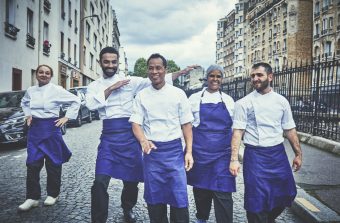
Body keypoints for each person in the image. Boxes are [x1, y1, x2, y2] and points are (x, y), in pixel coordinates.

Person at [86, 47, 197, 223]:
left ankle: (127, 207)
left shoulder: (130, 81)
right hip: (109, 137)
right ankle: (98, 220)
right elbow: (91, 105)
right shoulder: (93, 86)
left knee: (131, 179)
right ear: (100, 62)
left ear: (117, 63)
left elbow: (157, 78)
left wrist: (182, 72)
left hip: (131, 136)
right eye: (106, 61)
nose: (110, 65)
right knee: (99, 181)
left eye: (114, 61)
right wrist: (111, 88)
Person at [229, 62, 302, 223]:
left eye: (259, 75)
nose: (255, 79)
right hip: (255, 155)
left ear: (270, 77)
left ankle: (268, 219)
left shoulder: (282, 101)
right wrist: (234, 159)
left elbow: (289, 129)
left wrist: (298, 154)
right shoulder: (243, 103)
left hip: (277, 154)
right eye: (252, 76)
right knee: (256, 200)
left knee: (288, 192)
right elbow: (238, 132)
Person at [129, 53, 194, 223]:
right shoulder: (142, 95)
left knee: (178, 197)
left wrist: (189, 152)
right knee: (155, 198)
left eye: (158, 68)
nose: (154, 71)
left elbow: (186, 125)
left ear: (165, 70)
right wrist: (143, 141)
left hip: (174, 152)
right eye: (151, 68)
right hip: (152, 153)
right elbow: (136, 123)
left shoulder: (178, 93)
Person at [19, 64, 81, 211]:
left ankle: (53, 194)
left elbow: (76, 101)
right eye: (41, 72)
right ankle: (32, 197)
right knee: (32, 164)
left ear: (51, 76)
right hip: (35, 130)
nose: (44, 75)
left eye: (47, 73)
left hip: (51, 129)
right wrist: (28, 114)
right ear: (36, 74)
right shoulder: (31, 90)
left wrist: (67, 118)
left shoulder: (57, 90)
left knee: (53, 163)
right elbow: (24, 102)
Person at [187, 65, 235, 223]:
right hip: (200, 152)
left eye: (218, 76)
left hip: (222, 154)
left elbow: (236, 129)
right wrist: (188, 151)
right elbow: (186, 125)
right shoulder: (194, 99)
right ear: (206, 78)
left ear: (222, 78)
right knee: (201, 190)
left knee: (223, 192)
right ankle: (201, 218)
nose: (215, 79)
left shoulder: (228, 100)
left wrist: (235, 155)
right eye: (212, 76)